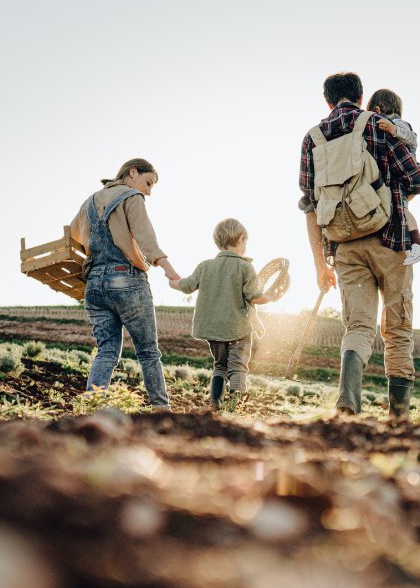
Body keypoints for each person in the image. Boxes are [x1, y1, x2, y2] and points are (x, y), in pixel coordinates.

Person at [299, 72, 420, 419]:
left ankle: (347, 404)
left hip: (344, 247)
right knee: (397, 328)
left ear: (328, 101)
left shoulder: (312, 139)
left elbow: (310, 206)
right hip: (391, 239)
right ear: (361, 97)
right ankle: (398, 416)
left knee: (358, 328)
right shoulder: (377, 125)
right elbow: (416, 179)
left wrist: (319, 265)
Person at [70, 158, 182, 412]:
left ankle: (92, 408)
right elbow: (146, 239)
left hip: (95, 284)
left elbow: (74, 236)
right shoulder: (132, 197)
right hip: (126, 280)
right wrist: (169, 270)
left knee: (106, 351)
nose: (149, 191)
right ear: (133, 173)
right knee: (148, 352)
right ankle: (161, 411)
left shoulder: (90, 201)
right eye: (148, 182)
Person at [170, 218, 276, 410]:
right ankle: (236, 406)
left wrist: (173, 283)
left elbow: (186, 285)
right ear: (242, 239)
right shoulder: (245, 267)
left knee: (220, 365)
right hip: (239, 329)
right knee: (238, 367)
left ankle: (215, 403)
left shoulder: (205, 266)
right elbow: (253, 296)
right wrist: (270, 296)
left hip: (213, 329)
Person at [366, 88, 420, 266]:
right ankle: (412, 242)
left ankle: (417, 243)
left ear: (377, 110)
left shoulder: (400, 123)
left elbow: (412, 138)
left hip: (403, 176)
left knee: (403, 210)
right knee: (400, 209)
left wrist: (394, 129)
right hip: (398, 176)